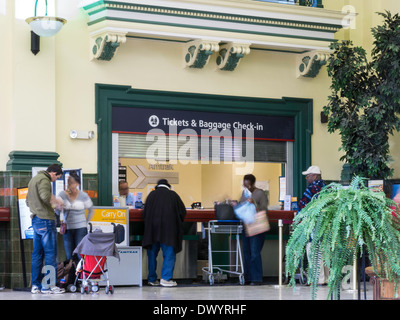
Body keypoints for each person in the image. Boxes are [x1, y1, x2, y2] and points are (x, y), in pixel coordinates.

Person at [26, 164, 65, 294]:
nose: (56, 180)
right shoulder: (45, 179)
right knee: (50, 254)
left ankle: (35, 286)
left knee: (37, 255)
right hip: (46, 221)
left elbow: (27, 201)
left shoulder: (34, 179)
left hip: (36, 220)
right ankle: (48, 286)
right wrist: (57, 203)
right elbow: (45, 196)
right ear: (53, 173)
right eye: (57, 177)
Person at [142, 179, 186, 287]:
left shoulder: (151, 195)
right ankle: (166, 279)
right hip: (169, 231)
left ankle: (152, 279)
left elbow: (144, 213)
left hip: (152, 231)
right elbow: (182, 212)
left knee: (152, 254)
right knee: (169, 254)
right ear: (168, 186)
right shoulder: (173, 195)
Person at [299, 165, 328, 285]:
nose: (306, 178)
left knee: (314, 251)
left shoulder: (312, 188)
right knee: (325, 252)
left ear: (315, 176)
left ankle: (318, 280)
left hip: (314, 226)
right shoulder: (327, 187)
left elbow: (304, 205)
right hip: (326, 226)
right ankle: (326, 279)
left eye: (308, 175)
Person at [56, 171, 93, 261]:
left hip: (81, 228)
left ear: (77, 184)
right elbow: (57, 212)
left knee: (81, 254)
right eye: (68, 182)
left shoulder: (83, 195)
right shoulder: (62, 194)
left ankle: (81, 274)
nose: (70, 185)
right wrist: (59, 207)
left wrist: (85, 222)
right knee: (69, 255)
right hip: (67, 228)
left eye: (72, 183)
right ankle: (71, 274)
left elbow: (91, 210)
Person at [239, 174, 269, 285]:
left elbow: (264, 210)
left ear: (253, 183)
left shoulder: (260, 193)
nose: (246, 186)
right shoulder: (244, 193)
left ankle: (256, 278)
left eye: (248, 184)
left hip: (257, 226)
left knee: (255, 253)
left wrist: (254, 204)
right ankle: (248, 278)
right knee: (246, 253)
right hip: (246, 225)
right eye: (244, 184)